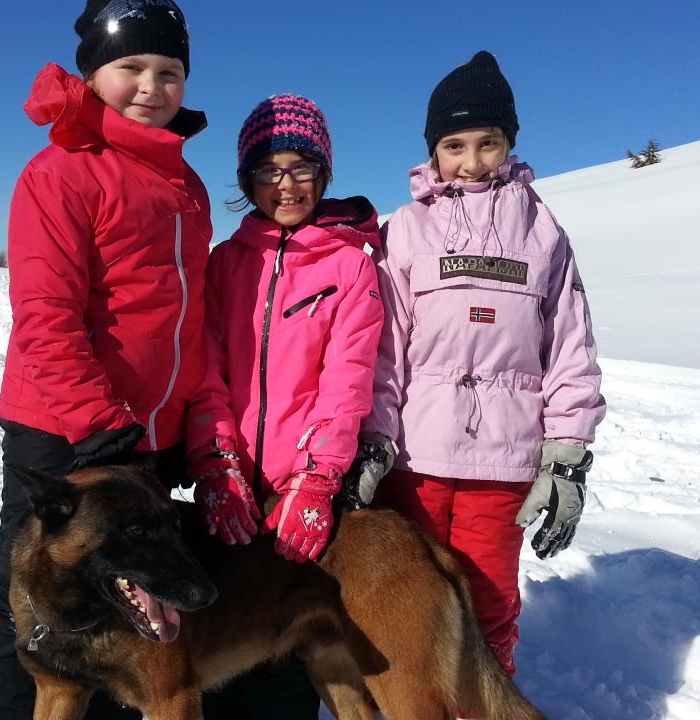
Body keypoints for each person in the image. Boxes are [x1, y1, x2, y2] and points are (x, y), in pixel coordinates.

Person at [0, 2, 211, 719]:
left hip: (148, 434)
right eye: (132, 67)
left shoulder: (185, 184)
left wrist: (183, 420)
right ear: (94, 75)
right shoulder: (61, 171)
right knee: (31, 594)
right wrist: (99, 424)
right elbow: (46, 316)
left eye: (169, 72)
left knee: (124, 592)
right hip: (67, 428)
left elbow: (181, 319)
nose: (151, 87)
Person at [355, 51, 606, 677]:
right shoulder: (406, 229)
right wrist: (374, 439)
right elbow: (385, 348)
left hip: (502, 460)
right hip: (414, 458)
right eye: (454, 146)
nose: (471, 163)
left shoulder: (543, 232)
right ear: (433, 152)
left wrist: (567, 451)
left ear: (510, 143)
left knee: (487, 603)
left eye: (487, 143)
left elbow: (569, 347)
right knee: (405, 597)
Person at [185, 95, 384, 718]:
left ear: (323, 175)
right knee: (220, 648)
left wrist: (319, 478)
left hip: (298, 490)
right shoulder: (225, 263)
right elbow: (206, 373)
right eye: (269, 170)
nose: (286, 184)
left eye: (301, 168)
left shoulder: (350, 268)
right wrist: (215, 462)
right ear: (247, 180)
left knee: (289, 657)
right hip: (233, 489)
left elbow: (347, 383)